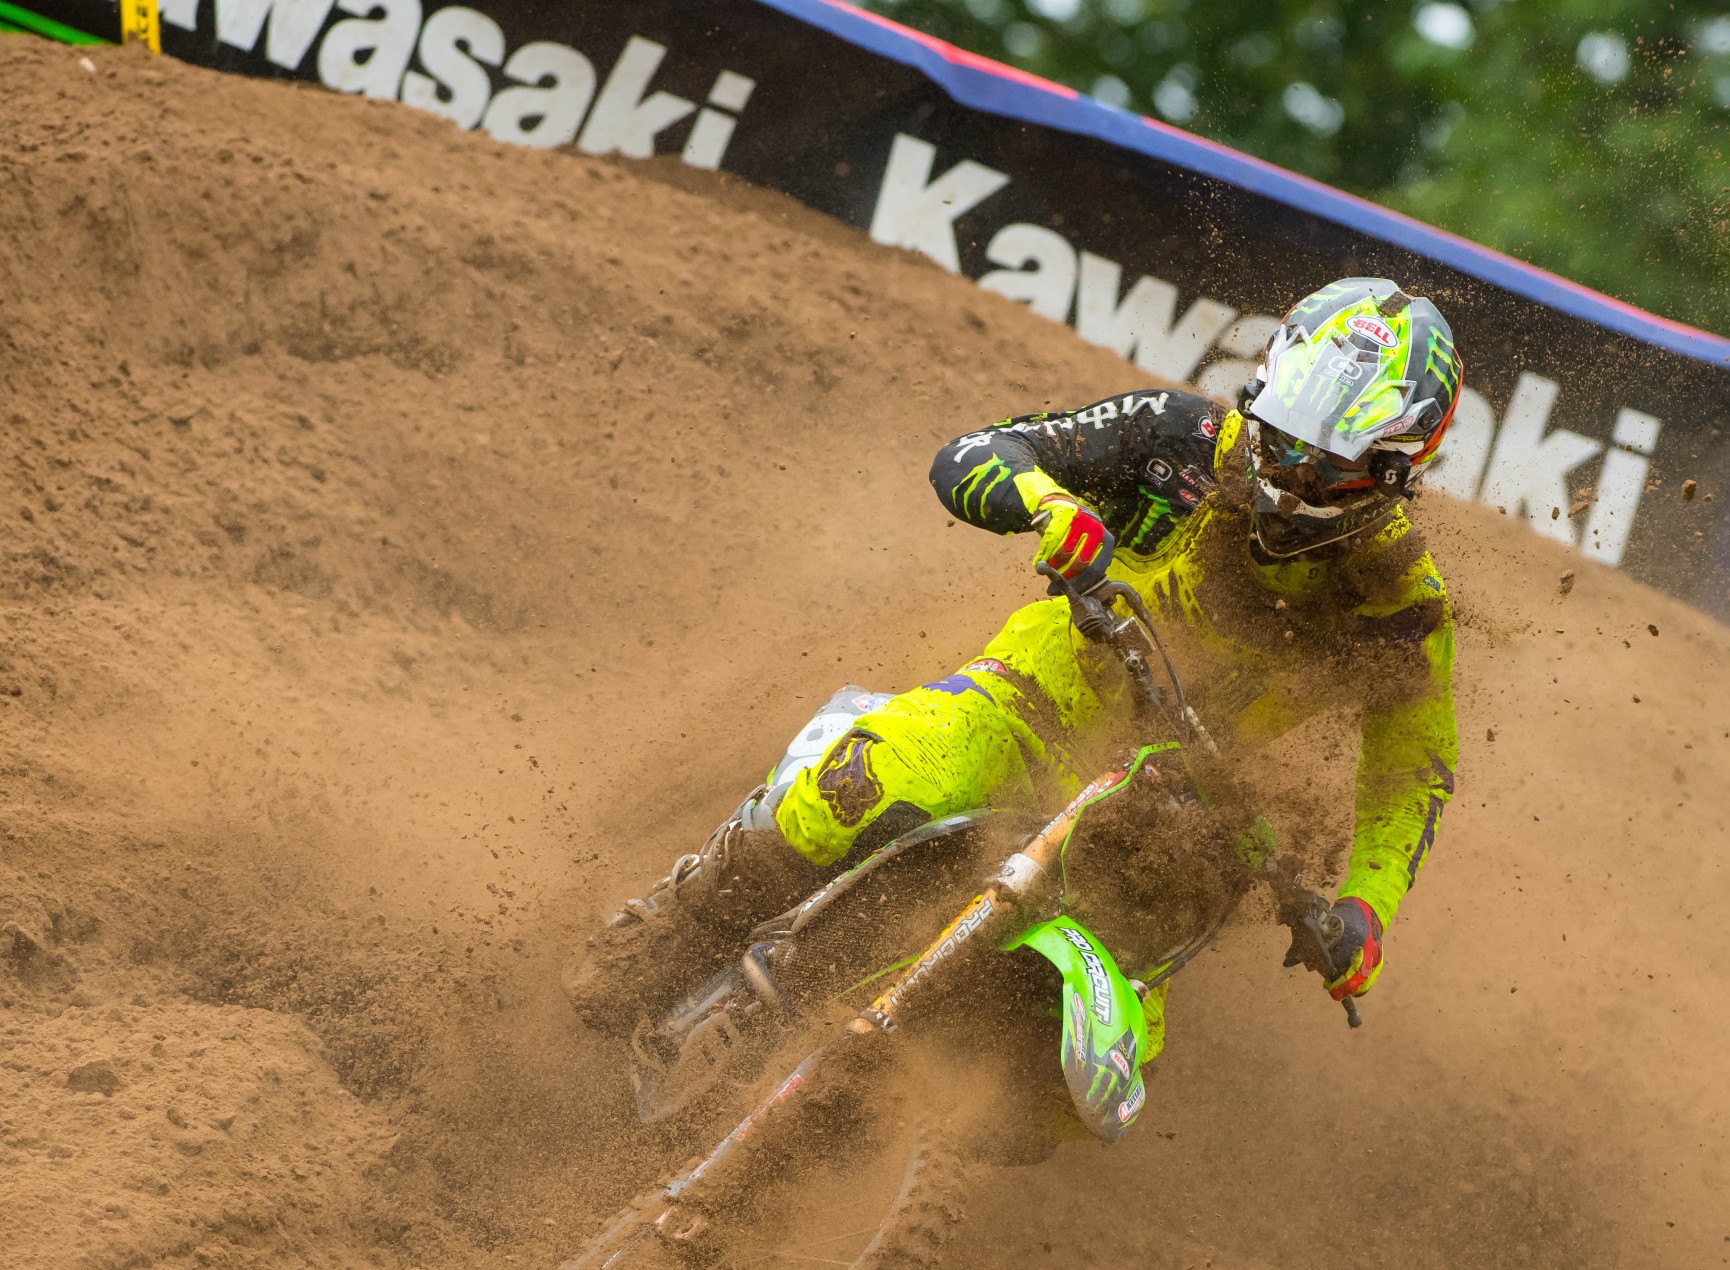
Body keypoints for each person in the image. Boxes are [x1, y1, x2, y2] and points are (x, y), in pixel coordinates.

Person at [564, 277, 1462, 1048]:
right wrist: (1045, 504)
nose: (1291, 472)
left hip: (1164, 829)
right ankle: (673, 924)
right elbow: (977, 453)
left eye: (1327, 464)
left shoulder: (1402, 606)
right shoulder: (1179, 436)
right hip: (1024, 707)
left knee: (1112, 1048)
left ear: (1393, 473)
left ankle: (913, 1135)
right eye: (1283, 433)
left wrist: (1366, 908)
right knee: (864, 787)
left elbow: (1411, 770)